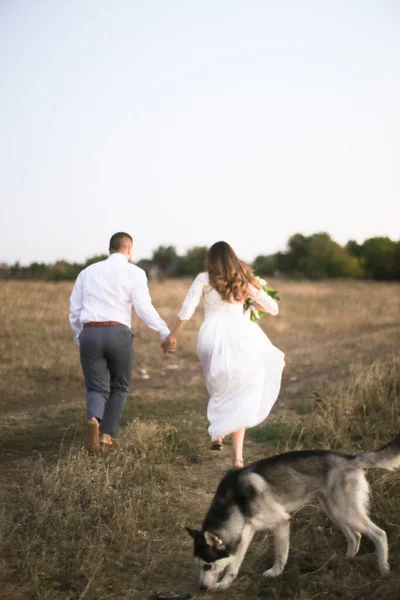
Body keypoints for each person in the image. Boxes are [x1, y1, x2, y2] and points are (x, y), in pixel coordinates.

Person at [162, 241, 284, 467]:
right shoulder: (243, 280)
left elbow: (188, 308)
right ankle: (238, 457)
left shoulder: (203, 278)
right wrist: (251, 306)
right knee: (240, 390)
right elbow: (273, 308)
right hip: (242, 334)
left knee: (217, 381)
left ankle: (217, 431)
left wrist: (173, 335)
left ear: (211, 260)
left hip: (211, 334)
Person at [69, 232, 174, 454]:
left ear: (110, 249)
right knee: (119, 385)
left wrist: (80, 336)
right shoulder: (134, 272)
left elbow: (74, 310)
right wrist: (164, 331)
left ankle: (94, 420)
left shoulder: (87, 272)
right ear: (129, 250)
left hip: (90, 332)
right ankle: (106, 436)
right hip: (118, 332)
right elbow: (144, 308)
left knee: (96, 387)